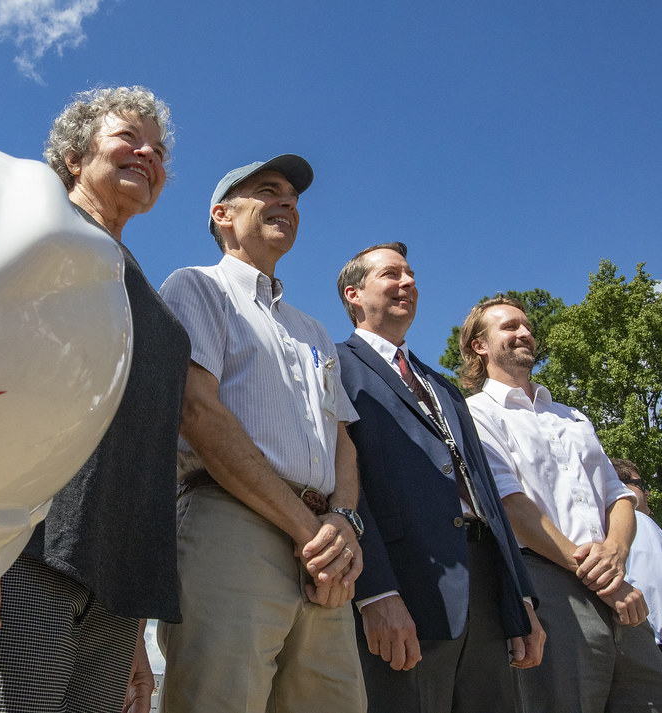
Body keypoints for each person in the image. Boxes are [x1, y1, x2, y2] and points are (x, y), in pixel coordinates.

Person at [0, 86, 191, 713]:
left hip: (114, 588)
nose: (148, 154)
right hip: (15, 556)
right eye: (129, 138)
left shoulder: (140, 287)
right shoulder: (31, 231)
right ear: (74, 156)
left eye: (159, 148)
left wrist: (133, 631)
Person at [157, 155, 367, 713]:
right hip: (232, 526)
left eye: (292, 198)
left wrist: (343, 523)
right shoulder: (196, 287)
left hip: (323, 544)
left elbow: (342, 442)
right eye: (268, 190)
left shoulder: (313, 330)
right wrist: (310, 530)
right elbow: (197, 413)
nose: (287, 202)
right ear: (222, 215)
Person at [335, 244, 543, 713]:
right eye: (391, 274)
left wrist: (521, 596)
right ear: (354, 293)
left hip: (485, 587)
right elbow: (343, 484)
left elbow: (485, 493)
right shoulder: (333, 365)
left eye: (410, 274)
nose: (408, 282)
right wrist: (376, 591)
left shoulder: (443, 387)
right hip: (406, 589)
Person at [461, 296, 662, 711]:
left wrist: (615, 552)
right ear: (479, 346)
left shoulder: (573, 417)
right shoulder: (475, 416)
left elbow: (619, 496)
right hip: (548, 585)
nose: (524, 333)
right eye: (509, 327)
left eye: (527, 326)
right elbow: (510, 506)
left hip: (618, 584)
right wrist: (602, 579)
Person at [612, 457, 662, 649]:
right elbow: (652, 582)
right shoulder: (637, 520)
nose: (647, 492)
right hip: (649, 638)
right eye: (640, 484)